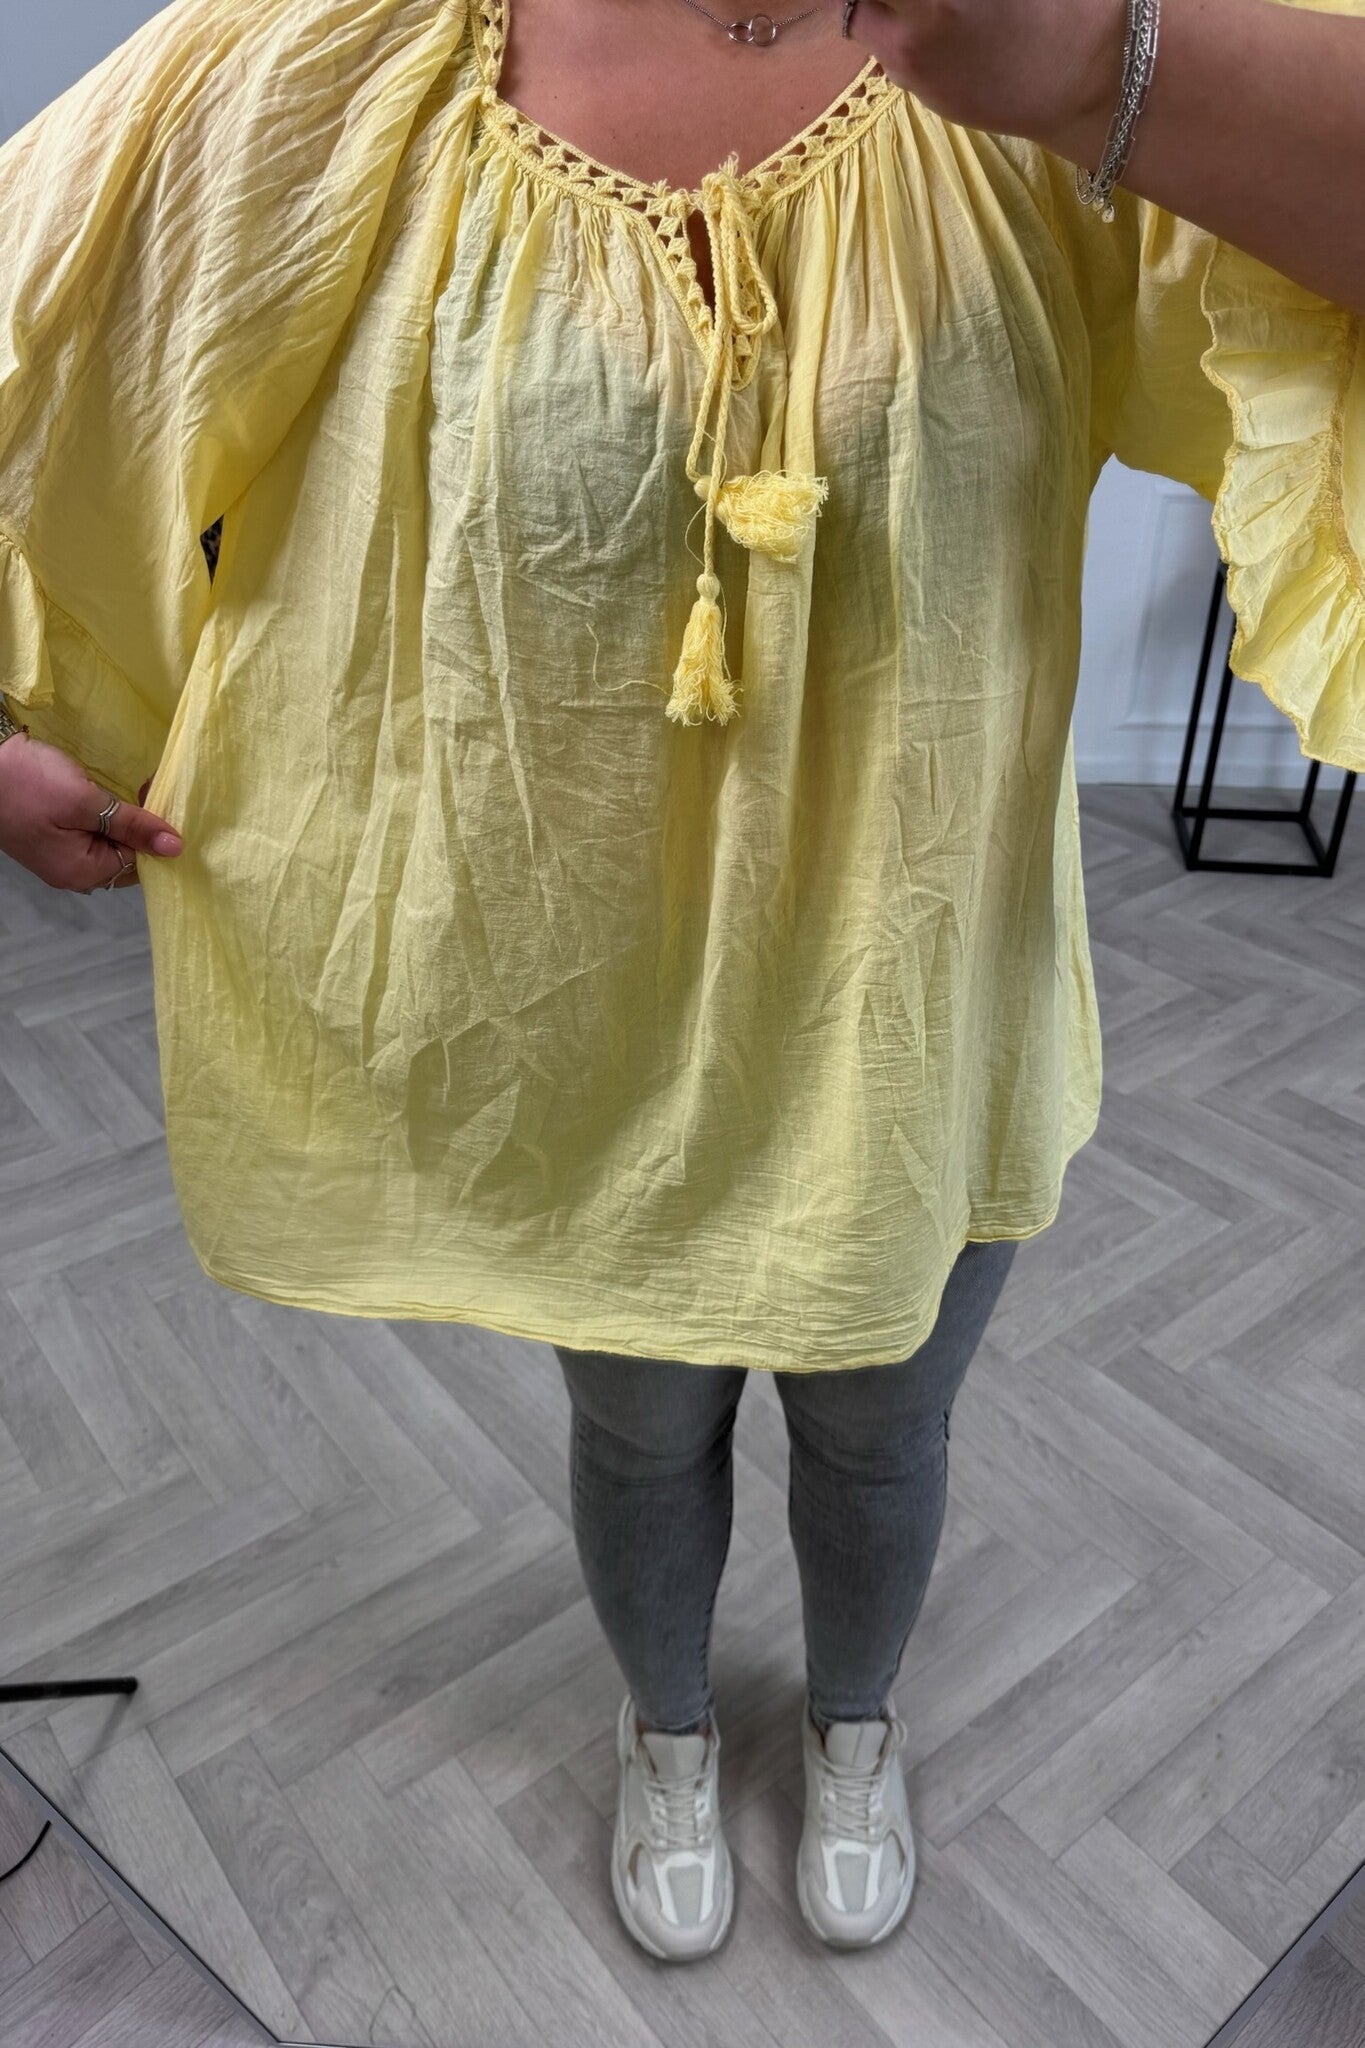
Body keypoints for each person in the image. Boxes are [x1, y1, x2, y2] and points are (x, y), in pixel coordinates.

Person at [1, 0, 1361, 1970]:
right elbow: (43, 329)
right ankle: (664, 1730)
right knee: (637, 1433)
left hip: (910, 999)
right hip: (581, 1016)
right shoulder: (325, 69)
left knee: (883, 1428)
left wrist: (1087, 61)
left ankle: (852, 1726)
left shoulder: (1049, 39)